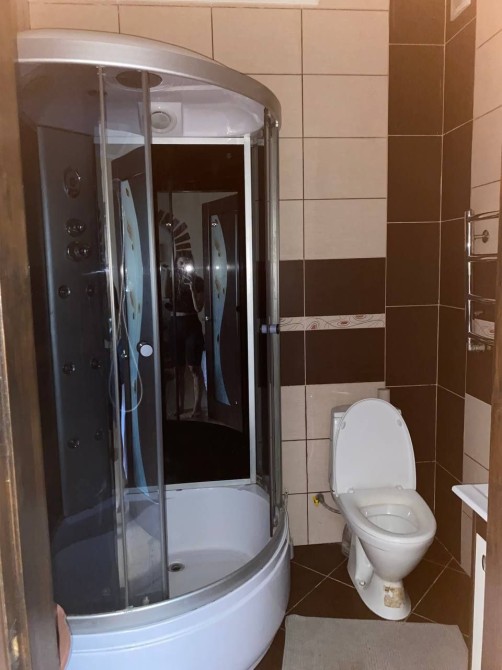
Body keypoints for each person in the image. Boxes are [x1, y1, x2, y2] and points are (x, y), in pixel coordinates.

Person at [165, 254, 205, 418]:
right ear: (176, 265)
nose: (183, 266)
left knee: (194, 367)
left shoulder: (198, 281)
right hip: (175, 324)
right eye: (180, 263)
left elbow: (198, 308)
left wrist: (192, 289)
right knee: (178, 368)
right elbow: (167, 302)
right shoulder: (172, 281)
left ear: (192, 263)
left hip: (192, 324)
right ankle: (180, 406)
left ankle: (197, 406)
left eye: (186, 262)